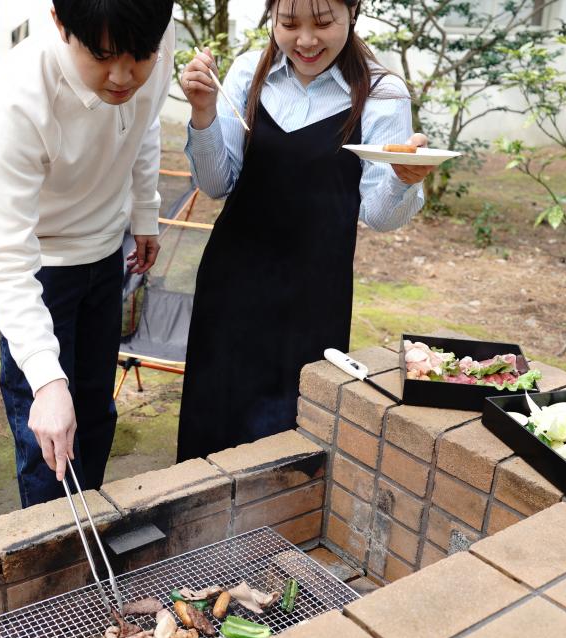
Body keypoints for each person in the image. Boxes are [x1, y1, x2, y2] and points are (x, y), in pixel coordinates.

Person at [175, 0, 434, 461]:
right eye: (289, 23)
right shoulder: (248, 72)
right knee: (212, 422)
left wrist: (402, 179)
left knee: (291, 436)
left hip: (314, 293)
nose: (307, 40)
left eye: (324, 22)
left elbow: (379, 216)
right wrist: (203, 113)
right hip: (232, 283)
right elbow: (216, 184)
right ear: (272, 17)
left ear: (352, 12)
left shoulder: (381, 92)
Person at [0, 0, 174, 507]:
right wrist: (45, 379)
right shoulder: (18, 95)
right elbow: (6, 256)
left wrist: (144, 212)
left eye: (140, 57)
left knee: (96, 413)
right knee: (49, 429)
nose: (123, 76)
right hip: (42, 266)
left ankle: (92, 521)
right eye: (102, 57)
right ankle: (53, 546)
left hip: (106, 253)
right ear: (60, 23)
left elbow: (146, 123)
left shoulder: (150, 29)